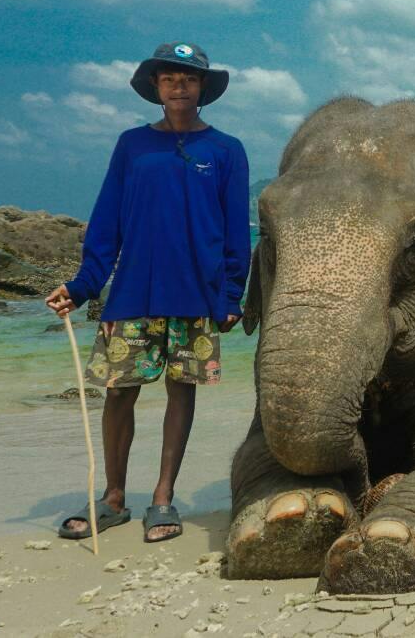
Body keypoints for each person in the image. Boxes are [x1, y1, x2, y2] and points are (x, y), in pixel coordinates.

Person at [45, 42, 249, 544]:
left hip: (196, 294)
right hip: (133, 291)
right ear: (156, 89)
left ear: (202, 89)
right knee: (119, 393)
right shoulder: (132, 146)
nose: (179, 86)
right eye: (169, 79)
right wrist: (83, 284)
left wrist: (229, 295)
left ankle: (162, 497)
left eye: (189, 79)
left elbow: (236, 233)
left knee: (181, 394)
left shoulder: (226, 151)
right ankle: (114, 497)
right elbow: (107, 222)